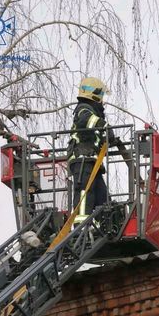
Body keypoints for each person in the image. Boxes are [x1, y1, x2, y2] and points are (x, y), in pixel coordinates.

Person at [67, 77, 114, 225]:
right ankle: (81, 227)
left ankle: (104, 225)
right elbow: (86, 121)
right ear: (96, 94)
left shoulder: (91, 112)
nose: (103, 101)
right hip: (83, 160)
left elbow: (99, 135)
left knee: (103, 198)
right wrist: (105, 126)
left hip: (92, 163)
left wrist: (110, 138)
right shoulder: (84, 109)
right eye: (101, 96)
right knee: (84, 193)